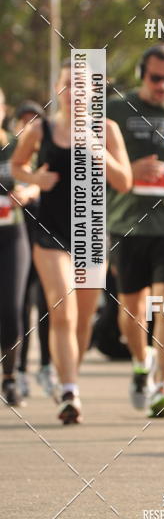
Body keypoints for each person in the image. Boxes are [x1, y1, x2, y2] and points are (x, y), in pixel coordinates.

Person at [11, 60, 132, 423]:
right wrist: (35, 179)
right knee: (62, 308)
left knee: (81, 320)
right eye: (68, 85)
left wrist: (99, 151)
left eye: (82, 86)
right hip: (49, 230)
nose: (75, 93)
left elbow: (124, 181)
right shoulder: (40, 129)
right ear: (57, 89)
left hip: (91, 228)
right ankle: (69, 392)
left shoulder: (107, 129)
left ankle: (69, 378)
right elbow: (17, 166)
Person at [107, 45, 164, 418]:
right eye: (156, 78)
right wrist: (129, 171)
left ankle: (160, 385)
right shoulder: (116, 110)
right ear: (142, 73)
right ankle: (141, 363)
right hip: (127, 223)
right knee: (132, 310)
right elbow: (93, 163)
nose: (163, 86)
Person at [12, 101, 56, 400]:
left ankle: (47, 367)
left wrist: (29, 190)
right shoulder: (10, 153)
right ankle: (19, 372)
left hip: (45, 231)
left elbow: (46, 182)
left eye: (34, 121)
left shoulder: (49, 150)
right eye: (23, 121)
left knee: (46, 304)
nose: (29, 127)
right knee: (19, 305)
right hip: (16, 235)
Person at [0, 89, 39, 407]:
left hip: (12, 235)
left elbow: (37, 174)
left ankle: (10, 378)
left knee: (12, 311)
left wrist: (28, 190)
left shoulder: (15, 145)